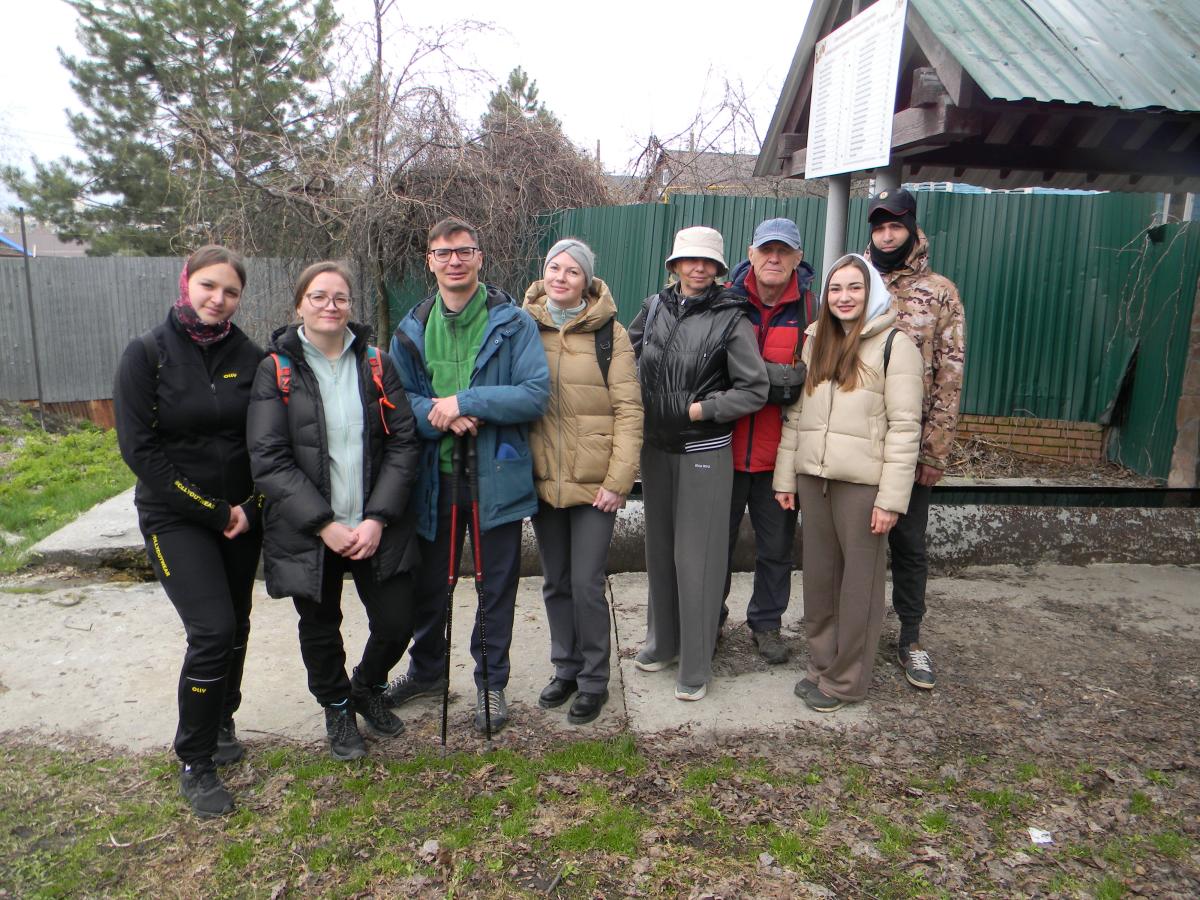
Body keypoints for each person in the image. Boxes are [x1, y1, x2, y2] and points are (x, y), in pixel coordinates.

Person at [247, 262, 420, 760]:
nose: (330, 305)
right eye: (319, 297)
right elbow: (268, 458)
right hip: (309, 530)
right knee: (321, 627)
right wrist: (322, 524)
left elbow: (404, 442)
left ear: (351, 305)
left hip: (372, 524)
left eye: (340, 297)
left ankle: (366, 686)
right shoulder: (275, 369)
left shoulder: (375, 364)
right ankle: (338, 706)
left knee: (396, 621)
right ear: (299, 304)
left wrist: (377, 518)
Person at [113, 245, 263, 819]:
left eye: (229, 291)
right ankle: (195, 759)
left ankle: (222, 715)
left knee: (239, 624)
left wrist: (249, 507)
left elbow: (268, 441)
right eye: (208, 286)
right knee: (213, 627)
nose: (217, 299)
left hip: (242, 517)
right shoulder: (147, 354)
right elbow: (140, 450)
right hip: (175, 516)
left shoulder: (252, 357)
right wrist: (213, 511)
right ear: (187, 283)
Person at [386, 217, 549, 733]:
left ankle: (490, 685)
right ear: (429, 261)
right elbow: (396, 400)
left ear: (480, 257)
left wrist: (469, 401)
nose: (454, 260)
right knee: (429, 586)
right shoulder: (410, 328)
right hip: (433, 479)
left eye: (464, 250)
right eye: (443, 252)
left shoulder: (514, 322)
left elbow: (534, 392)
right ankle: (428, 671)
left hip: (494, 477)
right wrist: (443, 414)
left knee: (494, 587)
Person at [773, 253, 923, 711]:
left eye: (854, 288)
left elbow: (905, 427)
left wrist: (891, 500)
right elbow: (797, 415)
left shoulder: (896, 345)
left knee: (857, 586)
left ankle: (846, 681)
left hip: (863, 487)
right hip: (814, 479)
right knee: (819, 580)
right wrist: (786, 476)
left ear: (871, 291)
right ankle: (821, 666)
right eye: (836, 289)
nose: (843, 297)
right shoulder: (815, 340)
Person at [629, 225, 768, 701]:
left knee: (697, 560)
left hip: (703, 454)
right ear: (674, 265)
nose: (697, 268)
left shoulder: (732, 318)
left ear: (718, 269)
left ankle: (695, 664)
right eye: (689, 260)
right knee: (660, 553)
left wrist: (702, 410)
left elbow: (755, 389)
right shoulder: (653, 308)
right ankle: (662, 643)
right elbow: (625, 360)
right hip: (656, 449)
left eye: (707, 262)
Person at [522, 239, 642, 725]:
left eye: (573, 271)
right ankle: (565, 667)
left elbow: (630, 412)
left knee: (587, 583)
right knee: (555, 582)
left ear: (586, 281)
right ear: (544, 272)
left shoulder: (610, 334)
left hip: (596, 485)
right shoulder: (523, 327)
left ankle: (594, 680)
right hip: (542, 479)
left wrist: (618, 481)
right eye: (555, 267)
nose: (562, 277)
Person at [863, 189, 966, 690]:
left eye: (895, 225)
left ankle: (910, 637)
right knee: (854, 540)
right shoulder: (853, 283)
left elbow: (950, 373)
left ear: (911, 228)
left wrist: (935, 449)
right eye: (879, 226)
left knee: (908, 542)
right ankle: (851, 630)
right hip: (858, 438)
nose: (886, 234)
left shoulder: (939, 291)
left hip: (911, 444)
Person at [721, 217, 818, 664]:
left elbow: (810, 383)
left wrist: (752, 378)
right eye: (766, 250)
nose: (774, 258)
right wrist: (775, 379)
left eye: (784, 251)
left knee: (776, 548)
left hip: (780, 455)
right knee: (714, 545)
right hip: (723, 447)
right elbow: (714, 372)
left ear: (798, 258)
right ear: (751, 252)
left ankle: (767, 625)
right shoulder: (726, 302)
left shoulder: (813, 310)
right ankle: (709, 618)